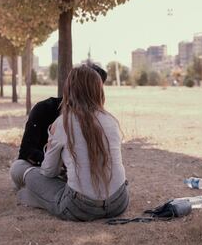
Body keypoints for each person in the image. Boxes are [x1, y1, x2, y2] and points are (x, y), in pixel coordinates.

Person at [10, 65, 128, 221]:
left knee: (20, 168)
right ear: (99, 90)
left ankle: (34, 197)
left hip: (82, 207)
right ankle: (38, 196)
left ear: (69, 89)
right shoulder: (111, 120)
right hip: (119, 202)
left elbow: (48, 172)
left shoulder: (63, 122)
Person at [17, 63, 107, 166]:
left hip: (75, 173)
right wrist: (60, 164)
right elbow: (27, 151)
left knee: (17, 169)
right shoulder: (45, 109)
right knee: (18, 167)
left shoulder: (100, 119)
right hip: (47, 166)